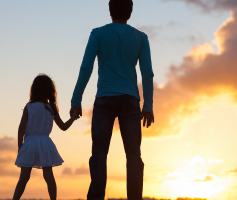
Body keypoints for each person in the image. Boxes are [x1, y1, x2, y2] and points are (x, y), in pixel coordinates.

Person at [70, 0, 154, 199]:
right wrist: (148, 105)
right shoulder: (141, 38)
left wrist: (76, 98)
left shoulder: (98, 33)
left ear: (110, 10)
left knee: (99, 154)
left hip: (105, 99)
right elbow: (147, 74)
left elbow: (86, 68)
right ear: (130, 12)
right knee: (133, 155)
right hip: (130, 100)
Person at [13, 74, 80, 200]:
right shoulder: (51, 108)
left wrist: (20, 146)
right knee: (49, 176)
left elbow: (21, 128)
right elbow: (64, 126)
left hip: (29, 143)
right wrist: (73, 117)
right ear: (50, 91)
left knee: (24, 178)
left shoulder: (29, 107)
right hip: (45, 143)